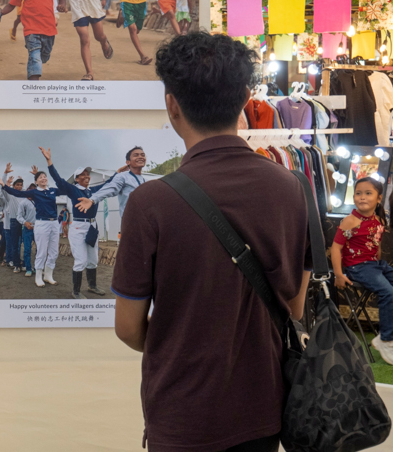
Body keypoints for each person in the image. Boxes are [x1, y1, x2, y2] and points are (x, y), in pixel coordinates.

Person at [111, 32, 312, 451]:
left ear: (171, 103)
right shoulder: (292, 187)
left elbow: (129, 328)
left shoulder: (149, 202)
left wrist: (183, 340)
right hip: (264, 406)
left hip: (182, 412)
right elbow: (294, 305)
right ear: (244, 99)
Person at [332, 177, 393, 363]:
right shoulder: (350, 220)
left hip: (375, 265)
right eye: (358, 193)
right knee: (388, 292)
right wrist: (338, 274)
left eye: (368, 193)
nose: (362, 197)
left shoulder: (378, 219)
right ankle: (386, 339)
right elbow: (336, 248)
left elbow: (377, 245)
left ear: (379, 198)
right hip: (358, 267)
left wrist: (381, 266)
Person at [41, 148, 114, 299]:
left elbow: (110, 183)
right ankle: (76, 291)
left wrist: (120, 171)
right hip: (79, 227)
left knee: (93, 260)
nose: (87, 176)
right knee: (81, 260)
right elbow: (58, 180)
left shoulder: (93, 190)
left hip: (92, 227)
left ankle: (92, 286)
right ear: (77, 178)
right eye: (83, 175)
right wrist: (49, 161)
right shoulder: (73, 190)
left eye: (87, 174)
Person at [0, 0, 67, 80]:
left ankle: (38, 63)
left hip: (49, 29)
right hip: (31, 29)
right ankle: (33, 82)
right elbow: (11, 5)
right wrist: (0, 12)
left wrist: (62, 5)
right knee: (35, 57)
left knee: (44, 56)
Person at [0, 166, 61, 287]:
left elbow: (64, 188)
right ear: (36, 182)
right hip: (41, 223)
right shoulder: (33, 192)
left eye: (45, 176)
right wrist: (4, 185)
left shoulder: (52, 190)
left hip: (54, 223)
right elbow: (17, 192)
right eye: (40, 177)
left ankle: (48, 275)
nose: (43, 178)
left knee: (54, 252)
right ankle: (38, 276)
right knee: (41, 251)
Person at [55, 0, 113, 81]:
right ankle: (90, 72)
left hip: (93, 7)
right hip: (78, 10)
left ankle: (104, 42)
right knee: (84, 39)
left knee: (99, 36)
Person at [76, 146, 147, 217]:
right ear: (128, 162)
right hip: (131, 222)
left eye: (142, 155)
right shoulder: (122, 176)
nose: (140, 157)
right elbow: (111, 188)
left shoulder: (146, 181)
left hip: (146, 221)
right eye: (136, 155)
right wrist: (92, 200)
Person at [0, 164, 24, 271]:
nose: (19, 187)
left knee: (19, 244)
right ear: (13, 186)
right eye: (17, 185)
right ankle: (13, 262)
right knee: (13, 244)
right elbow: (2, 188)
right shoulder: (10, 196)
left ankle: (18, 261)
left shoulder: (23, 195)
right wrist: (5, 173)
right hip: (13, 222)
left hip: (23, 222)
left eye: (20, 185)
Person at [17, 184, 37, 277]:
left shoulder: (38, 201)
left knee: (39, 250)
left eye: (34, 189)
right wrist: (25, 223)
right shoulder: (23, 203)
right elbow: (19, 216)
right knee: (27, 249)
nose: (33, 191)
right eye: (31, 189)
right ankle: (28, 268)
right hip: (27, 229)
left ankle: (37, 268)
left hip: (38, 229)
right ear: (28, 190)